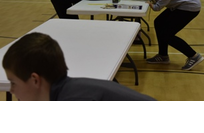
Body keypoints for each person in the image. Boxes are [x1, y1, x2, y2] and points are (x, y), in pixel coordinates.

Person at [2, 32, 156, 101]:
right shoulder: (68, 89)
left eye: (13, 83)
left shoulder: (75, 97)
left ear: (35, 80)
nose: (11, 90)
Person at [132, 0, 204, 71]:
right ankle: (163, 55)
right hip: (185, 3)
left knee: (167, 35)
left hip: (188, 6)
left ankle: (194, 56)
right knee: (159, 22)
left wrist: (156, 7)